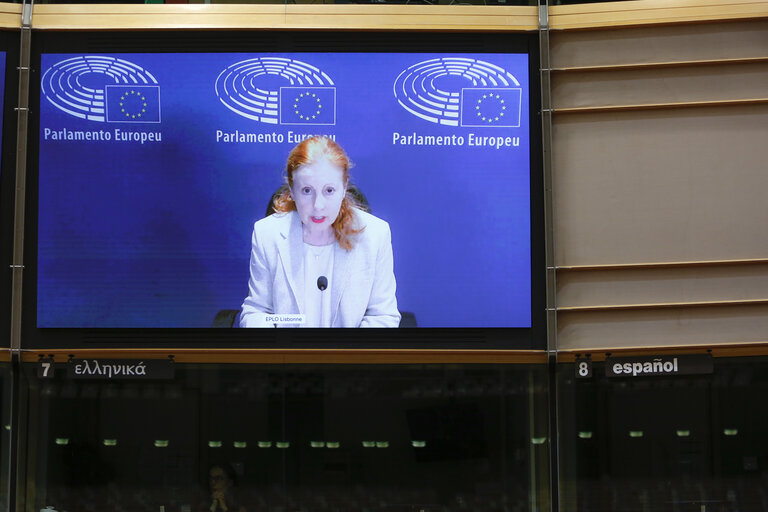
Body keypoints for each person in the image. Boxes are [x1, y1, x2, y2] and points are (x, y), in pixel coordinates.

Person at [240, 136, 400, 328]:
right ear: (292, 190)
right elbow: (257, 311)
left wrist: (348, 355)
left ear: (344, 188)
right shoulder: (267, 233)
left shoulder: (375, 235)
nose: (318, 205)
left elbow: (382, 316)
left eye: (329, 190)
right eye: (307, 190)